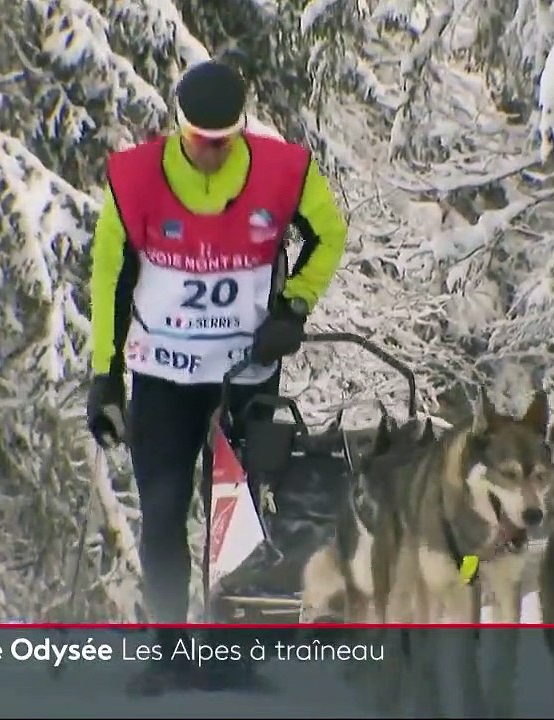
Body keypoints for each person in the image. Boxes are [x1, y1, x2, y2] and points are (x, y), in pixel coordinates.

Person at [85, 60, 348, 694]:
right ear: (180, 129)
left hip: (245, 373)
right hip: (164, 375)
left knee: (238, 516)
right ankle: (169, 651)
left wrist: (293, 308)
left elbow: (330, 235)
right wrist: (104, 375)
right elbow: (109, 277)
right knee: (165, 510)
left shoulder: (284, 171)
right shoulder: (136, 178)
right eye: (202, 139)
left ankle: (232, 651)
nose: (213, 150)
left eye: (225, 139)